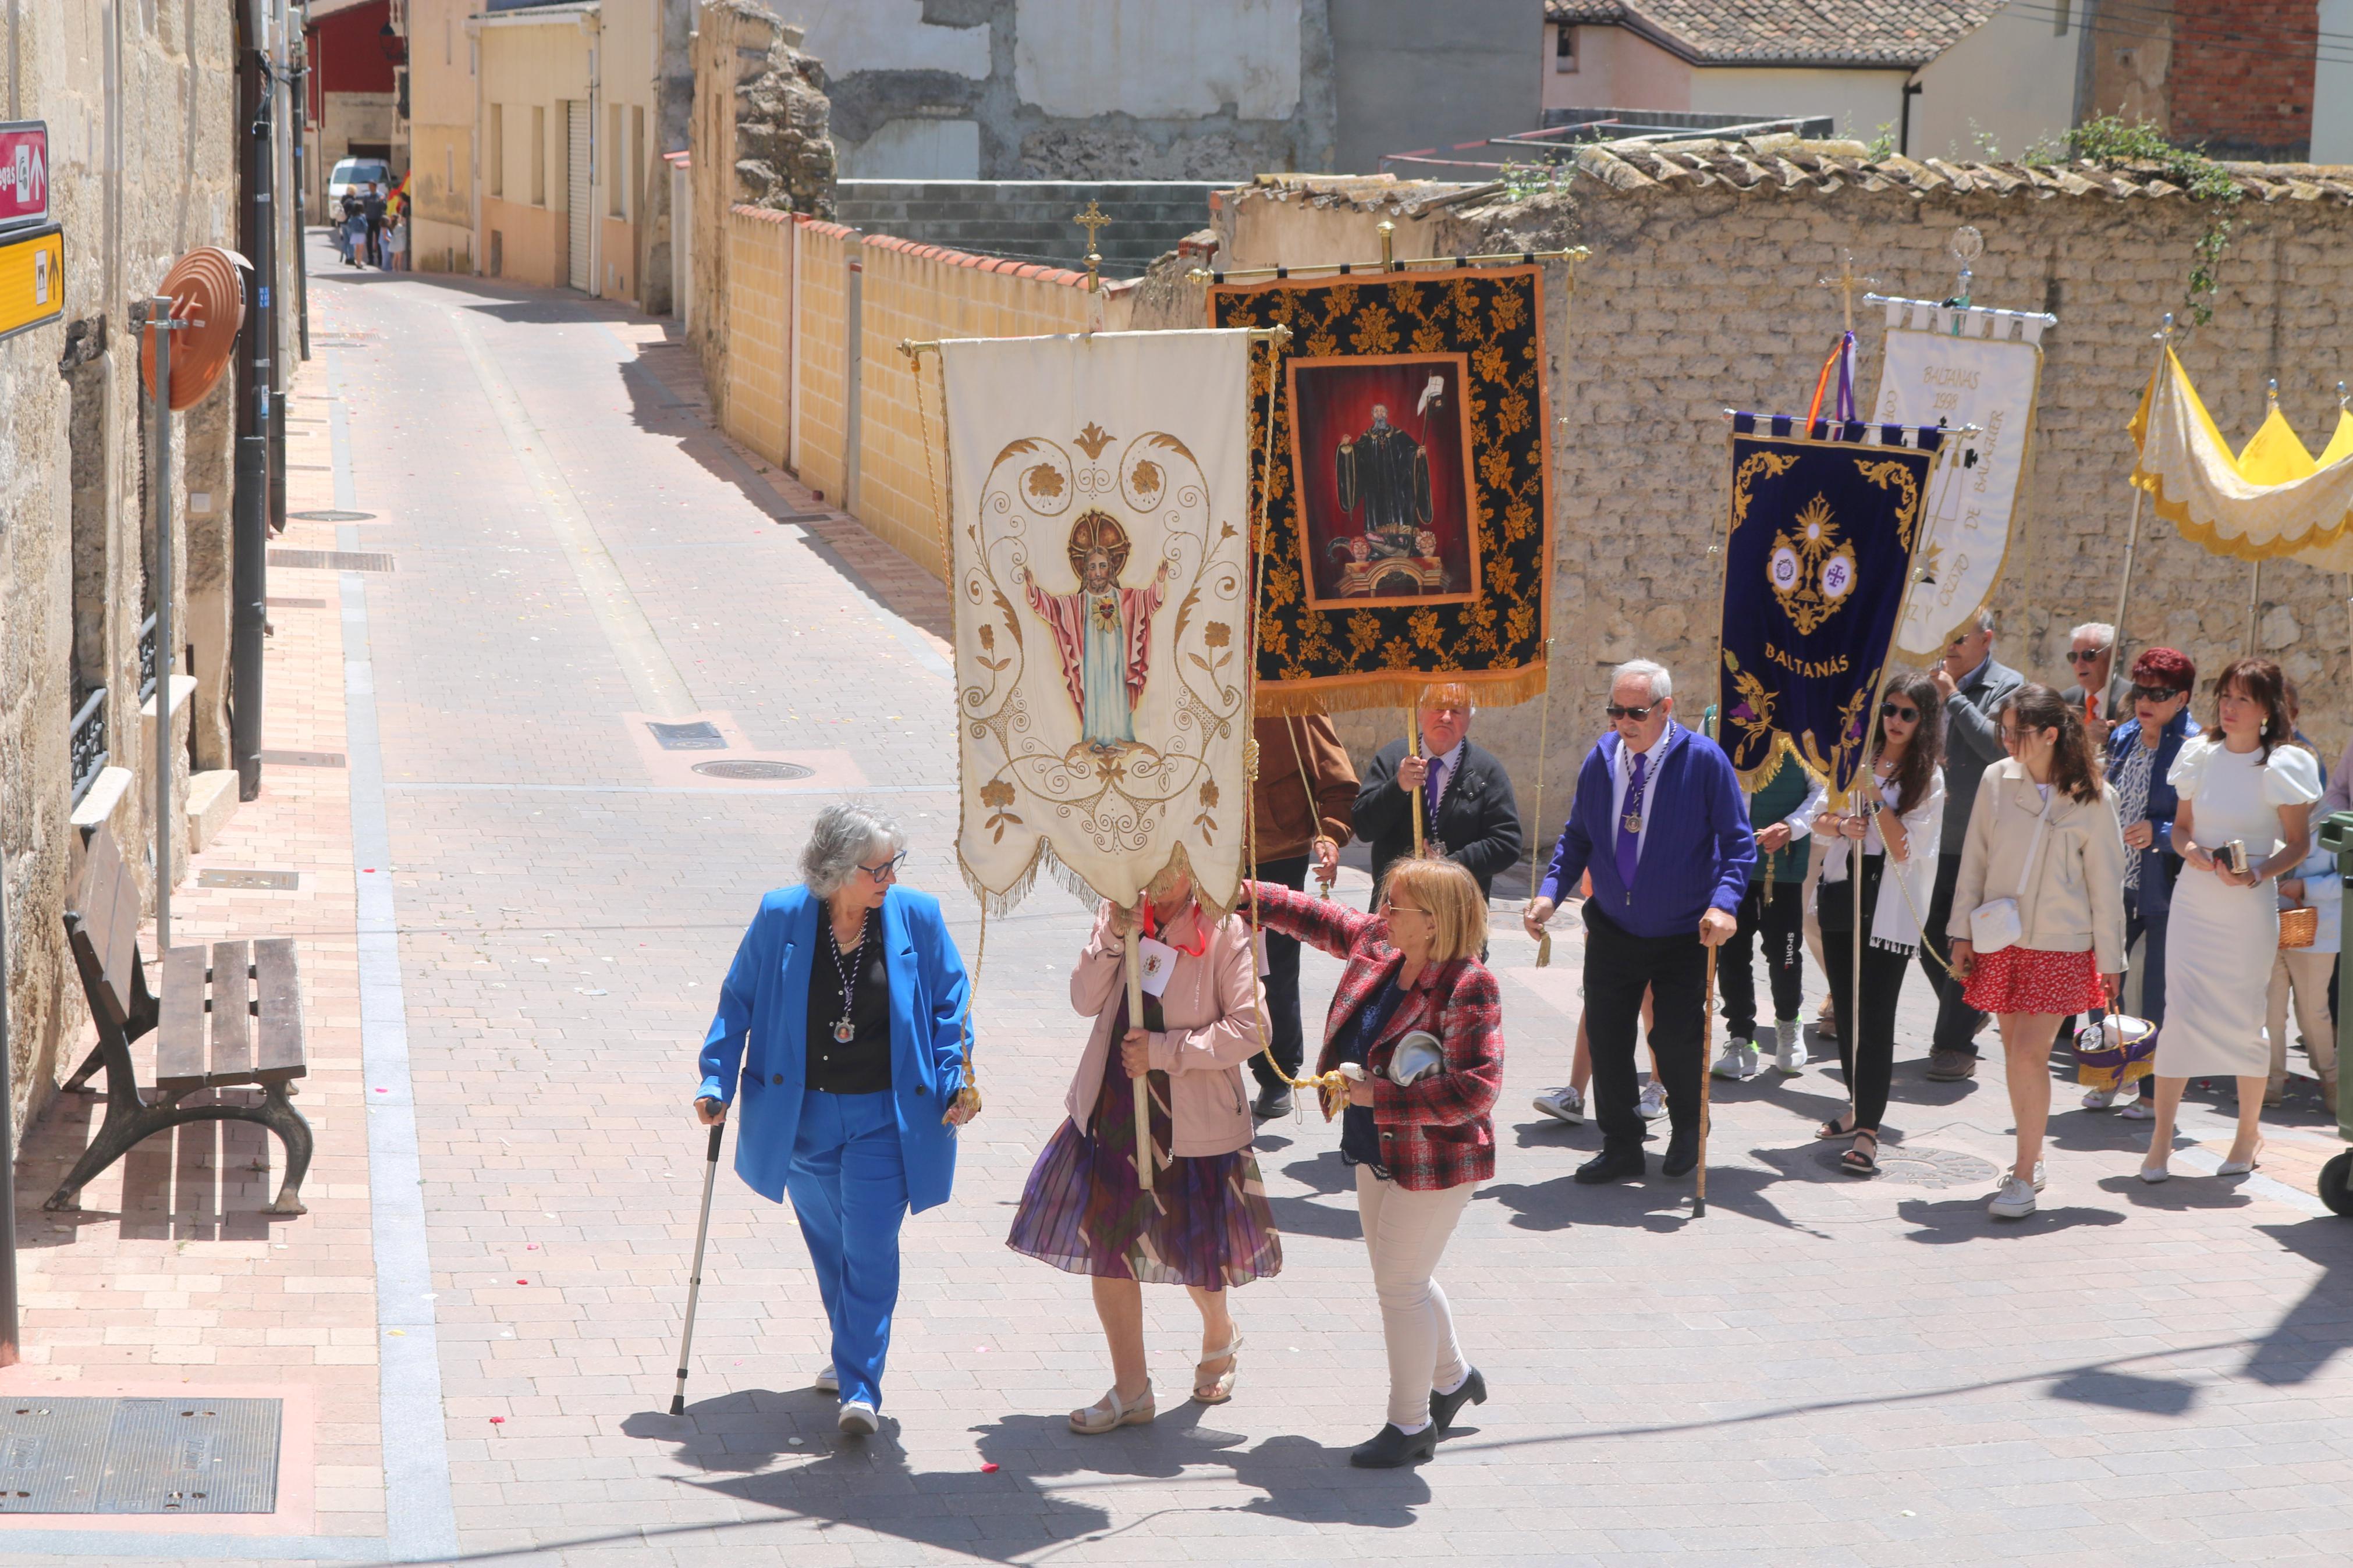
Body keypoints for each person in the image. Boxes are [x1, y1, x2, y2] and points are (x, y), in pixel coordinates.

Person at [692, 804, 975, 1436]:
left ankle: (859, 1385)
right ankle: (851, 1350)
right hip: (800, 1116)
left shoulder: (917, 918)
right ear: (836, 871)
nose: (889, 879)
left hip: (884, 1116)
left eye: (893, 865)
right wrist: (715, 1076)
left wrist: (956, 1074)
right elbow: (737, 998)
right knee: (831, 1247)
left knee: (869, 1245)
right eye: (877, 869)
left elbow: (949, 1005)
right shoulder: (781, 915)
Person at [1006, 860, 1276, 1434]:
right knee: (1110, 1245)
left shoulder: (1227, 925)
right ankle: (1131, 1389)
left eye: (1168, 863)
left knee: (1192, 1253)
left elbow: (1252, 1027)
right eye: (1144, 860)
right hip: (1116, 1110)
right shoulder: (1119, 912)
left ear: (1192, 862)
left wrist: (1164, 1051)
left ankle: (1219, 1333)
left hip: (1191, 1122)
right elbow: (1083, 999)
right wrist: (1112, 937)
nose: (1153, 877)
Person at [1248, 858, 1502, 1469]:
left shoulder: (1468, 984)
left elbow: (1476, 1090)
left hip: (1434, 1160)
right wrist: (1245, 893)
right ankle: (1455, 1379)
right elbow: (1316, 916)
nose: (1381, 912)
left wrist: (1375, 1095)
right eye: (1384, 901)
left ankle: (1409, 1425)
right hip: (1372, 1146)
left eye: (1395, 904)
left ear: (1434, 923)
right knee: (1403, 1277)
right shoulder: (1381, 947)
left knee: (1399, 1284)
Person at [1524, 659, 1753, 1185]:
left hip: (1682, 932)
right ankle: (1621, 1144)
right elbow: (1576, 836)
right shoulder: (1601, 758)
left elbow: (1738, 844)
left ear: (1666, 709)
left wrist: (1724, 903)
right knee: (1606, 1037)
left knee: (1674, 1040)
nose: (1622, 722)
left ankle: (1689, 1129)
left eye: (1635, 712)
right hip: (1611, 926)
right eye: (1615, 710)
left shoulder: (1703, 760)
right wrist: (1547, 895)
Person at [1947, 685, 2128, 1219]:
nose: (2005, 740)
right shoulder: (1994, 780)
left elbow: (2106, 883)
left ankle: (2022, 1176)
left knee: (2029, 1052)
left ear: (2050, 733)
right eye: (2002, 729)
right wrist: (1960, 931)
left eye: (2016, 731)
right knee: (2013, 1054)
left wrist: (2110, 960)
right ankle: (2033, 1154)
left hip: (2062, 944)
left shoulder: (2096, 796)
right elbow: (1973, 859)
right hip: (2000, 937)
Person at [2139, 659, 2320, 1182]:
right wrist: (2192, 850)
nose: (2229, 705)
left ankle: (2246, 1135)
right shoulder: (2198, 754)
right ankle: (2160, 1142)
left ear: (2267, 710)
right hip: (2194, 902)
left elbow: (2300, 842)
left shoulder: (2284, 763)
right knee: (2179, 1014)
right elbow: (2181, 829)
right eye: (2225, 695)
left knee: (2245, 1017)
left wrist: (2258, 872)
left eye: (2242, 698)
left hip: (2247, 906)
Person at [1811, 673, 1944, 1175]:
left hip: (1887, 901)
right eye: (1889, 709)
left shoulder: (1927, 776)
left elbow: (1906, 848)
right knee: (1845, 1010)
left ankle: (1869, 1130)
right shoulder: (1854, 757)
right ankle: (1855, 1105)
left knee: (1875, 1015)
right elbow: (1821, 820)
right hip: (1846, 891)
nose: (1895, 721)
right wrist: (1844, 823)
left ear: (1923, 720)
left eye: (1908, 714)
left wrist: (1872, 793)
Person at [2083, 648, 2201, 1119]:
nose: (2145, 701)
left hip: (2166, 883)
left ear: (2182, 697)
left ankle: (2152, 1090)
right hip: (2115, 879)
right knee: (2102, 982)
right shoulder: (2125, 736)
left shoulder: (2195, 748)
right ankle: (2107, 1072)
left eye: (2159, 693)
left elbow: (2207, 823)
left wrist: (2163, 833)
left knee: (2157, 990)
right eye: (2140, 691)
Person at [1921, 609, 2025, 1082]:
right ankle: (1966, 1009)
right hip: (1930, 831)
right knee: (1924, 938)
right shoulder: (1932, 680)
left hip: (1976, 837)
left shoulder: (2008, 686)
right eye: (1945, 636)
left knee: (1964, 937)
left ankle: (1953, 1043)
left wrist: (1953, 698)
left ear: (1987, 639)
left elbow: (1998, 747)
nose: (1950, 645)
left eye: (1958, 636)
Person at [1248, 709, 1358, 1119]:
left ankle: (1275, 1075)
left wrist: (1329, 832)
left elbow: (1339, 783)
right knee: (1204, 962)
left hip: (1278, 851)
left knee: (1272, 969)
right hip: (1209, 846)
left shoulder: (1295, 697)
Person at [1710, 743, 1823, 1080]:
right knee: (1731, 954)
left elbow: (1823, 788)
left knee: (1784, 951)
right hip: (1730, 866)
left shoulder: (1803, 728)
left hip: (1782, 867)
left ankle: (1788, 1023)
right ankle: (1741, 1039)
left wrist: (1791, 826)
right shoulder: (1717, 720)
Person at [1353, 682, 1524, 906]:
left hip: (1460, 911)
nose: (1446, 717)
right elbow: (1364, 828)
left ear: (1470, 719)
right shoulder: (1392, 758)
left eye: (1456, 711)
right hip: (1395, 908)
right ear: (1420, 713)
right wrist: (1398, 787)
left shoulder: (1487, 770)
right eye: (1438, 708)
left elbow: (1507, 843)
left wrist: (1450, 866)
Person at [2269, 832, 2339, 1114]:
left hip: (2316, 932)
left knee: (2312, 1013)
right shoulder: (2270, 813)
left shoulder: (2333, 820)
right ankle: (2269, 1084)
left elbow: (2346, 879)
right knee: (2269, 1012)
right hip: (2268, 924)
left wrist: (2305, 886)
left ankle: (2333, 1083)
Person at [2065, 621, 2132, 746]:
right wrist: (2084, 735)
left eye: (2088, 655)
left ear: (2113, 655)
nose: (2079, 664)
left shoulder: (2134, 699)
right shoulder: (2065, 701)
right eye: (2073, 657)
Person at [362, 183, 388, 267]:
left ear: (375, 187)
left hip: (378, 220)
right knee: (369, 240)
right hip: (369, 220)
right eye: (369, 187)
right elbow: (365, 206)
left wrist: (381, 201)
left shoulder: (381, 195)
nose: (370, 188)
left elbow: (385, 207)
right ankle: (371, 259)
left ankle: (380, 259)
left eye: (371, 186)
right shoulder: (367, 196)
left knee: (379, 240)